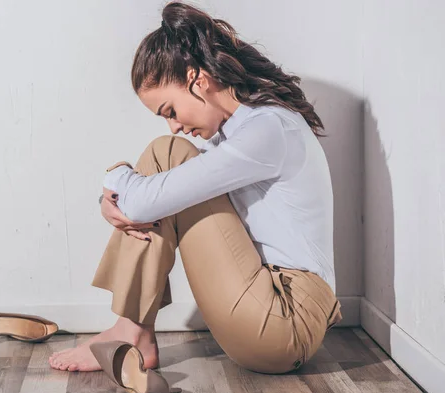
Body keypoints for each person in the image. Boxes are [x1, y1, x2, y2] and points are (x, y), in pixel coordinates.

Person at [49, 1, 342, 374]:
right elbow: (158, 192)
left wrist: (114, 178)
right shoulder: (235, 137)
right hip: (264, 306)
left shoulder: (267, 130)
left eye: (170, 110)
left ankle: (131, 331)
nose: (172, 124)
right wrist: (112, 200)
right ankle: (132, 332)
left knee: (166, 152)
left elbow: (144, 198)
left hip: (284, 319)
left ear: (198, 80)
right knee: (165, 165)